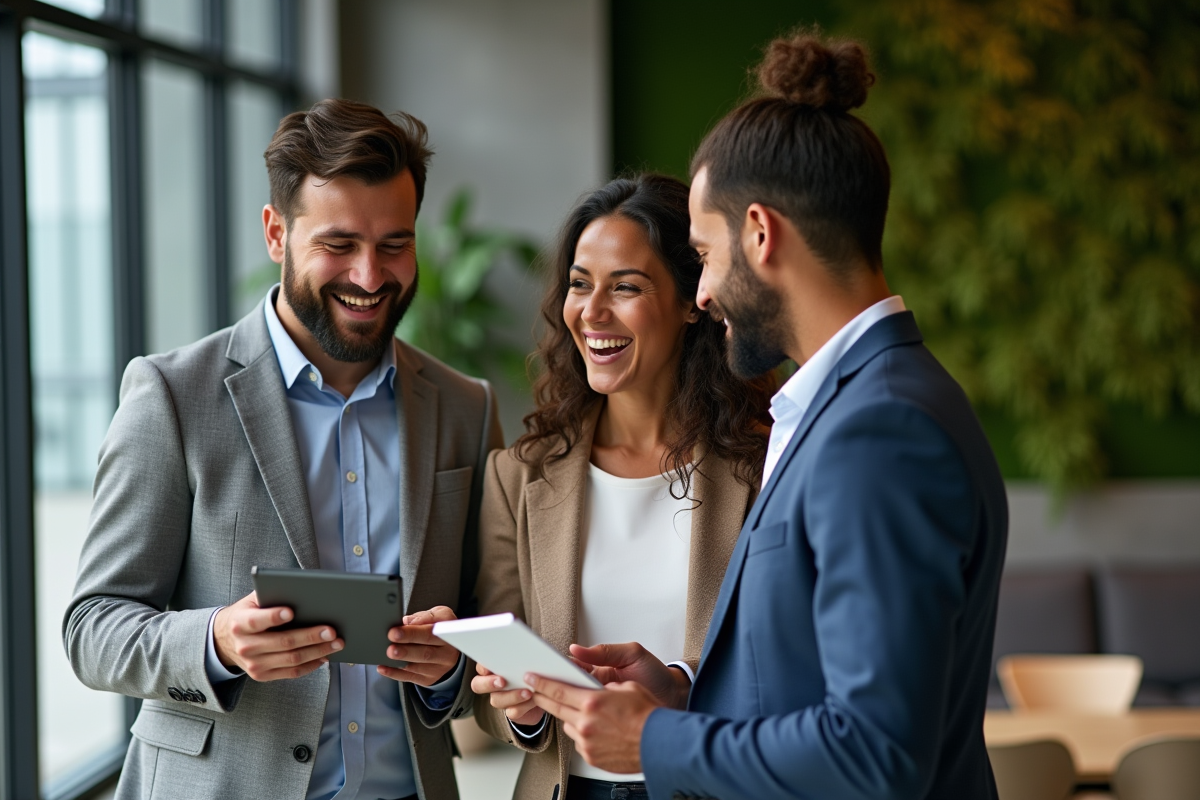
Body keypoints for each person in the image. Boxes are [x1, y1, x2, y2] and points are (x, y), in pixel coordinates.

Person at [521, 31, 1009, 800]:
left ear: (760, 234)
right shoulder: (847, 406)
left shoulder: (880, 432)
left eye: (706, 255)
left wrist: (656, 739)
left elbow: (875, 754)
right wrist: (687, 690)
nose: (705, 292)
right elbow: (812, 684)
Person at [63, 99, 503, 800]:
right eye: (338, 244)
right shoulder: (173, 395)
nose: (369, 275)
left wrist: (453, 663)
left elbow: (492, 619)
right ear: (276, 233)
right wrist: (217, 642)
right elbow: (93, 627)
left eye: (395, 243)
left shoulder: (464, 406)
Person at [468, 174, 774, 800]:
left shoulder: (764, 463)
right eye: (580, 285)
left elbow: (786, 660)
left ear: (694, 300)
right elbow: (487, 697)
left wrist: (683, 685)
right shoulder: (519, 474)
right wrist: (519, 712)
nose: (592, 312)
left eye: (626, 287)